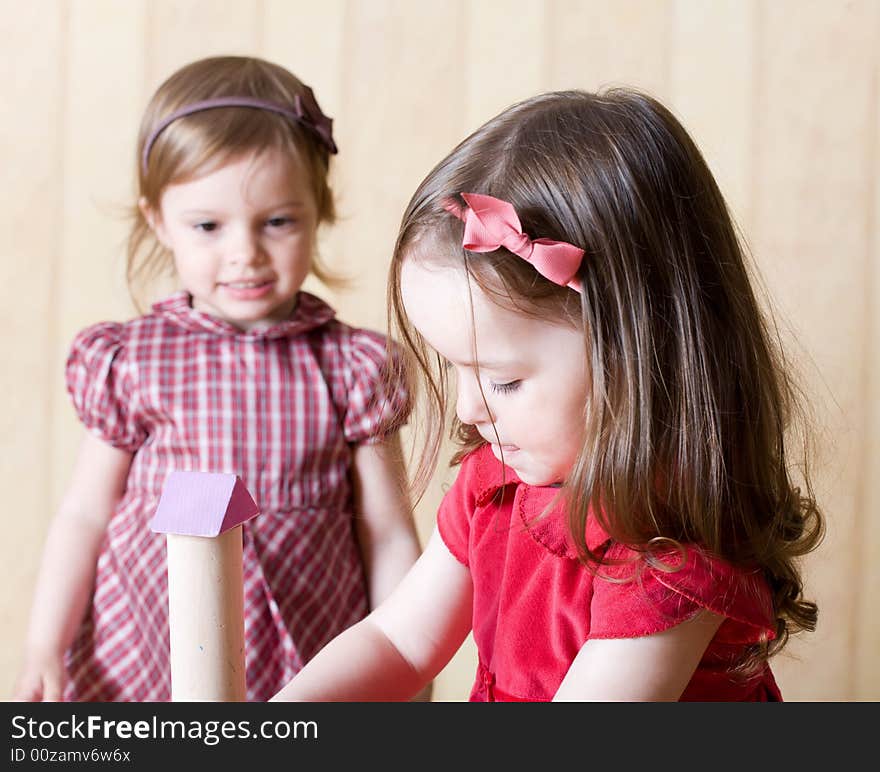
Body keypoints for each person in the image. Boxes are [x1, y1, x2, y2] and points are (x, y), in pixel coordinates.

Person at [272, 88, 825, 702]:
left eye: (503, 379)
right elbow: (400, 645)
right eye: (456, 369)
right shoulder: (495, 485)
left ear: (634, 354)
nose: (467, 409)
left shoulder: (667, 558)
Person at [13, 55, 424, 702]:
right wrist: (43, 643)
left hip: (314, 642)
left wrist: (408, 661)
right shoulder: (133, 361)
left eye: (277, 222)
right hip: (155, 644)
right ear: (159, 221)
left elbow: (387, 528)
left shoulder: (352, 367)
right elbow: (85, 514)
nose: (244, 253)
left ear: (318, 209)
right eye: (208, 226)